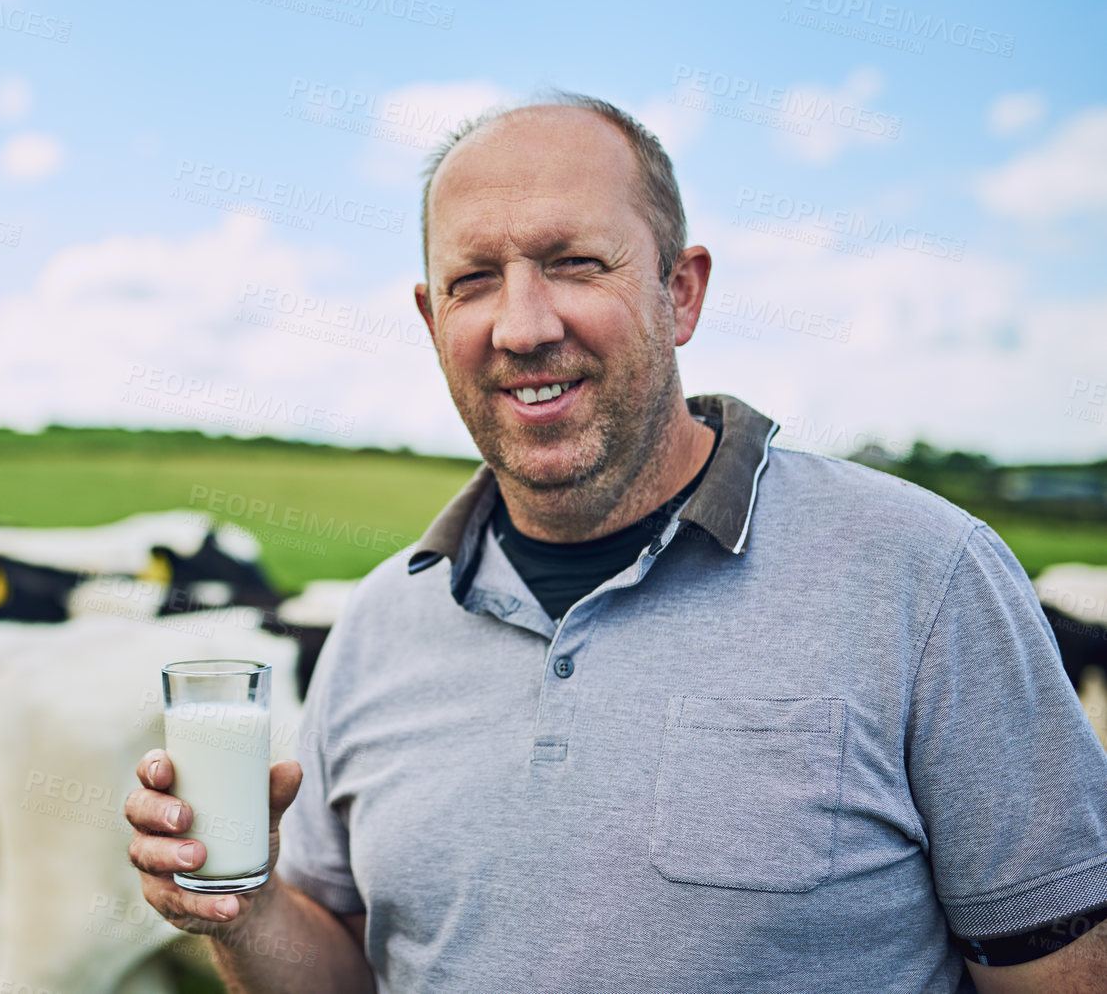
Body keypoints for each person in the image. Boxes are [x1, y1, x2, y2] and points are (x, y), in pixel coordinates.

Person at [125, 94, 1107, 992]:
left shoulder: (923, 577)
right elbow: (343, 974)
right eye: (474, 280)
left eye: (573, 264)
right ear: (432, 321)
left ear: (682, 292)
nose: (521, 325)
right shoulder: (379, 622)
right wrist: (243, 909)